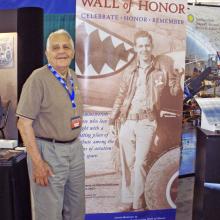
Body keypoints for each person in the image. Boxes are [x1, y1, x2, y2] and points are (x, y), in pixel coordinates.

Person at [109, 31, 182, 212]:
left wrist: (178, 78)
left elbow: (174, 92)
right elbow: (120, 96)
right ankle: (127, 199)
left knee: (140, 162)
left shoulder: (162, 69)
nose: (144, 49)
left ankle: (138, 202)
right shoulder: (130, 71)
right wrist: (111, 120)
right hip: (128, 121)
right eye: (140, 46)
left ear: (151, 47)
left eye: (147, 45)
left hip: (147, 122)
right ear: (135, 48)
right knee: (128, 162)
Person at [16, 29, 85, 220]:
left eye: (66, 46)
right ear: (47, 54)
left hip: (75, 150)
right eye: (55, 47)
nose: (61, 51)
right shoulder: (37, 79)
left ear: (72, 51)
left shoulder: (72, 76)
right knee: (49, 211)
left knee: (76, 207)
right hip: (48, 151)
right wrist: (38, 163)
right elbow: (24, 124)